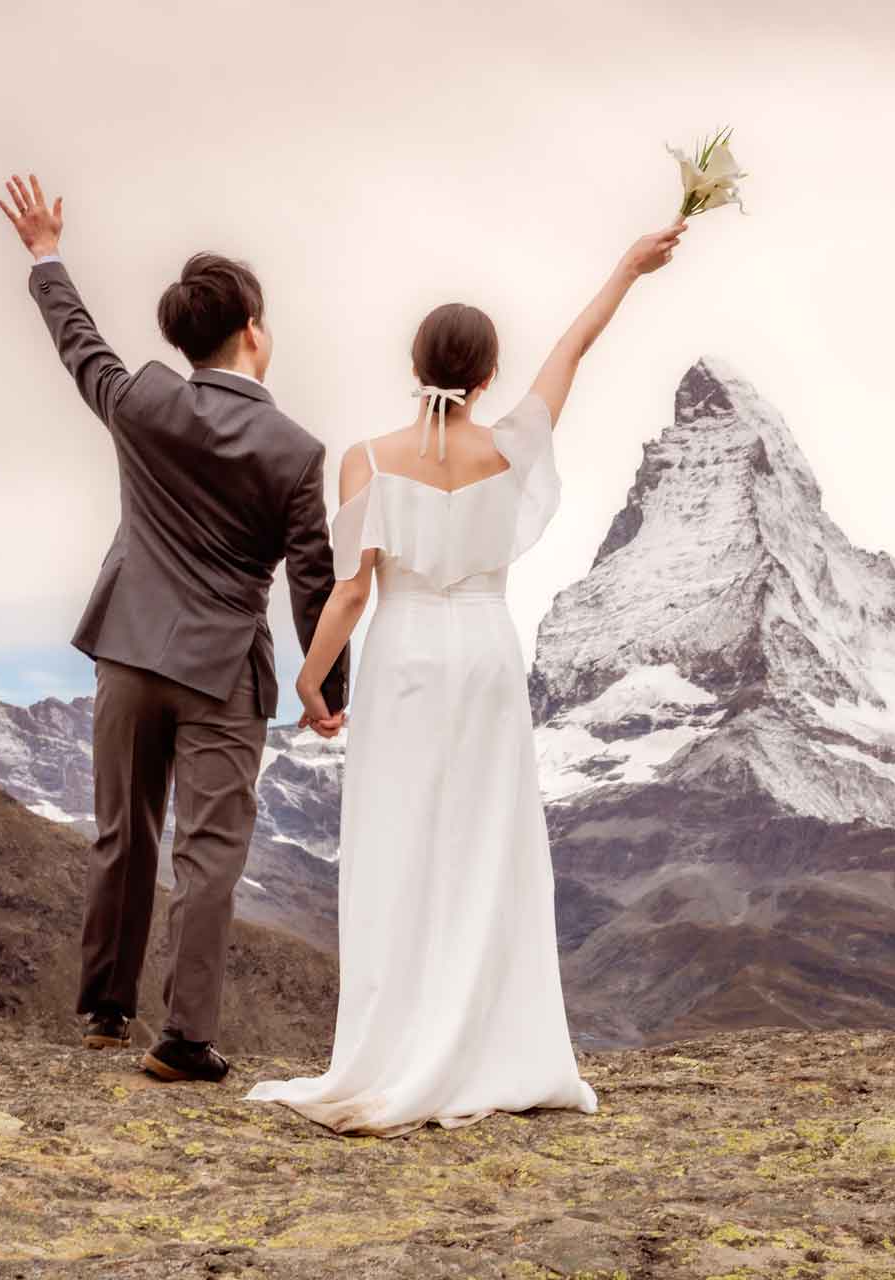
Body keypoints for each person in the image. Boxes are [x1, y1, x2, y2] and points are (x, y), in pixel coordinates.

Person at [243, 218, 687, 1136]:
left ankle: (396, 1047)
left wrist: (311, 681)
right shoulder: (509, 447)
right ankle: (493, 1044)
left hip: (404, 652)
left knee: (400, 842)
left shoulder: (367, 458)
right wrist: (627, 267)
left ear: (416, 365)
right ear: (486, 375)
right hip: (484, 653)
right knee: (488, 843)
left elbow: (351, 593)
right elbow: (575, 347)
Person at [0, 173, 349, 1084]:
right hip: (222, 670)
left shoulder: (144, 403)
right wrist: (328, 688)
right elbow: (315, 580)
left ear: (185, 339)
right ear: (255, 333)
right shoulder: (296, 452)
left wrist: (46, 253)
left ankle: (105, 1013)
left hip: (127, 651)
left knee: (123, 831)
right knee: (210, 854)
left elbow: (81, 348)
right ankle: (184, 1040)